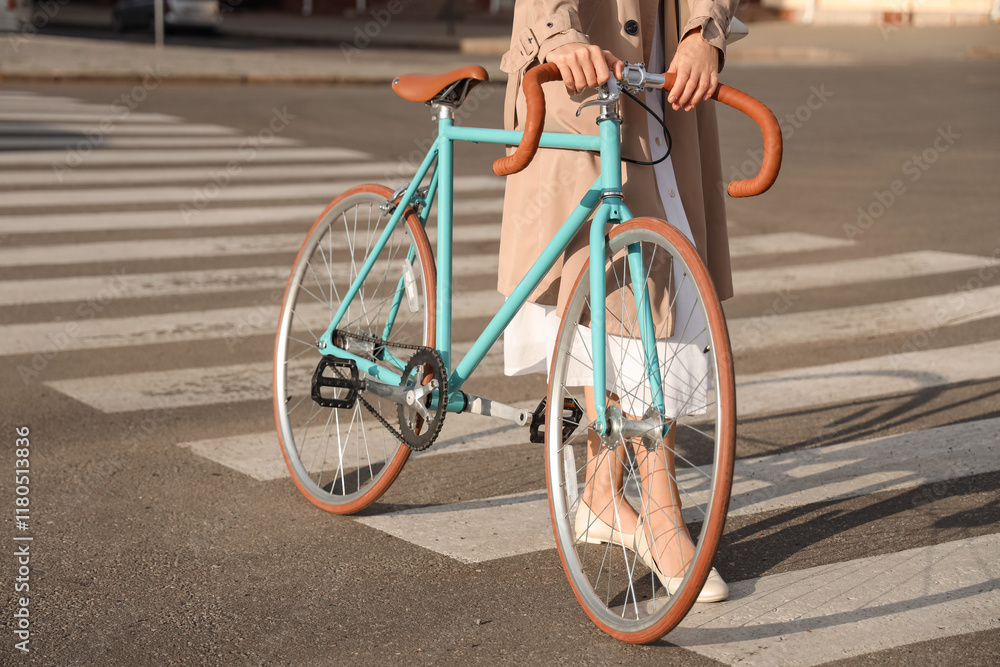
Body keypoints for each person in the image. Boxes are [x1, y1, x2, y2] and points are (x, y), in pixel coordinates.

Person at [498, 0, 738, 602]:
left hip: (659, 69)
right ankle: (657, 511)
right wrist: (557, 34)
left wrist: (704, 33)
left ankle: (603, 494)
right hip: (579, 66)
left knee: (659, 277)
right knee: (612, 281)